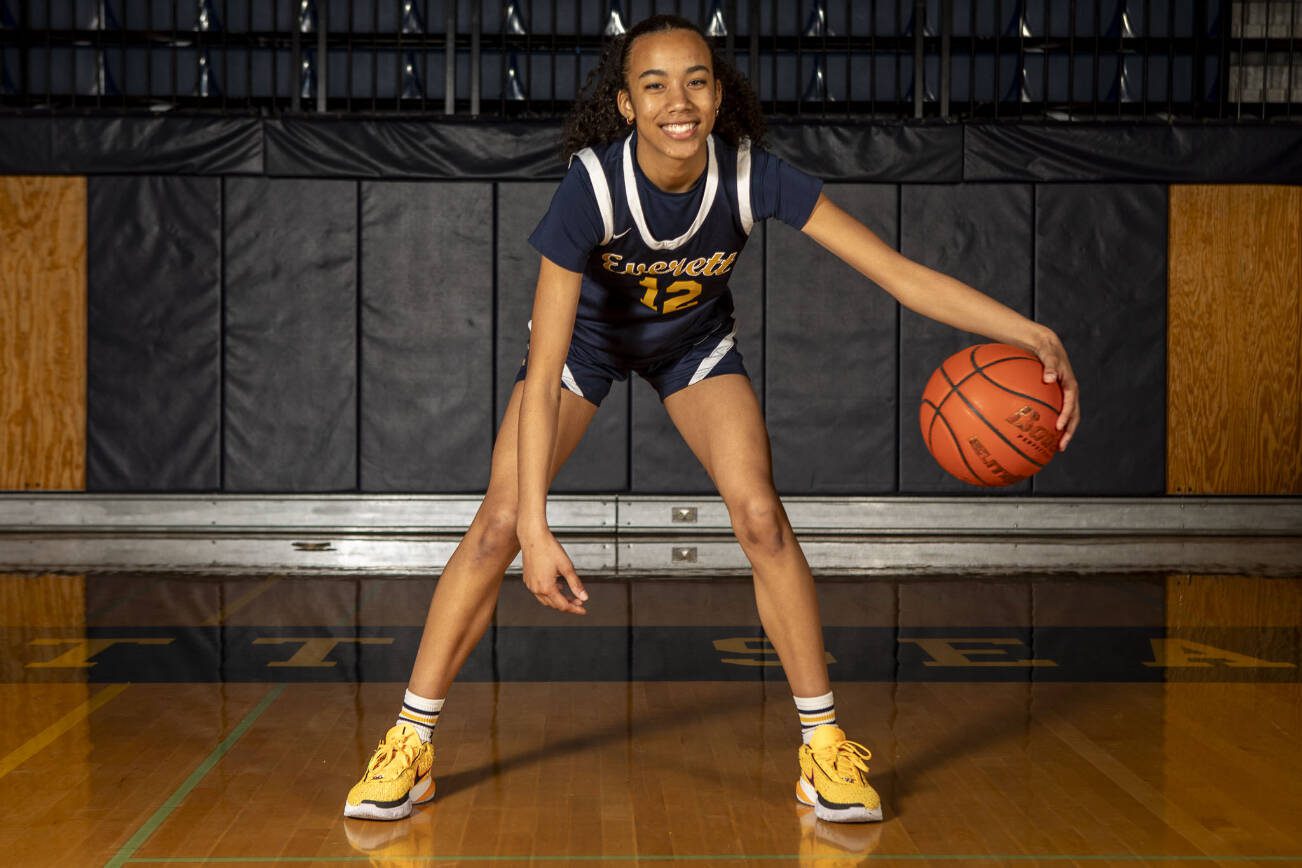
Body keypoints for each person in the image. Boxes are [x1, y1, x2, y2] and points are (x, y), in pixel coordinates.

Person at [344, 13, 1081, 825]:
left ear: (718, 92)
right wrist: (535, 529)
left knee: (763, 519)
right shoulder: (590, 185)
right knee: (496, 525)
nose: (677, 100)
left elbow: (897, 275)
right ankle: (409, 745)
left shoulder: (751, 174)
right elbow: (546, 361)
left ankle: (823, 749)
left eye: (695, 79)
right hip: (583, 351)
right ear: (625, 104)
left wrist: (1030, 331)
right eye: (652, 84)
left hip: (691, 347)